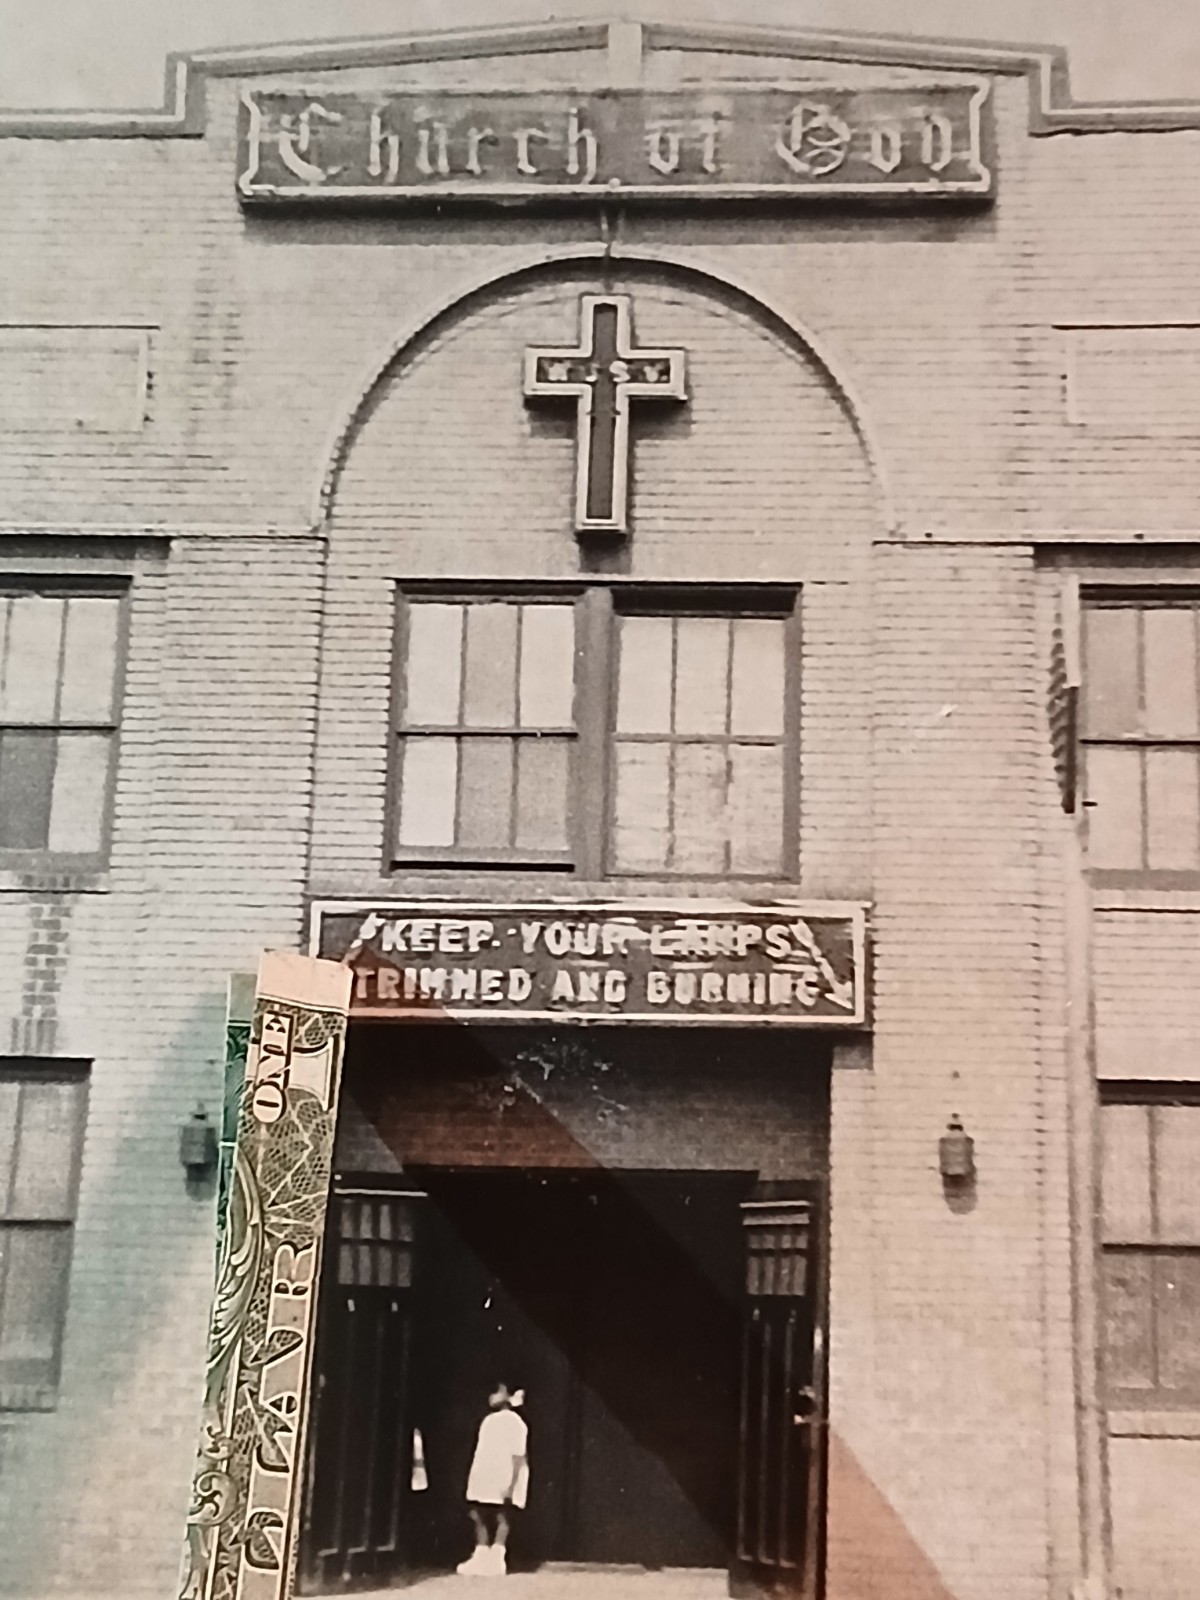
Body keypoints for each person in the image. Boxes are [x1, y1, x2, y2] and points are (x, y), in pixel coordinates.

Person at [456, 1381, 529, 1578]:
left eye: (497, 1391)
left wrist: (512, 1484)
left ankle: (497, 1557)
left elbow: (517, 1455)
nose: (491, 1396)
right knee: (477, 1513)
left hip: (504, 1475)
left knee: (501, 1515)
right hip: (485, 1474)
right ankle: (481, 1554)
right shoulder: (488, 1421)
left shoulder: (516, 1423)